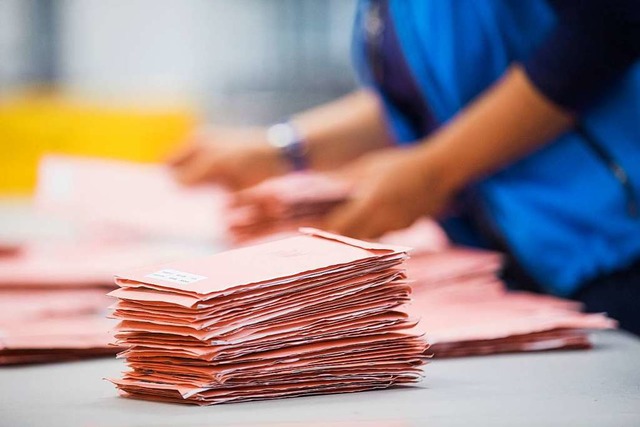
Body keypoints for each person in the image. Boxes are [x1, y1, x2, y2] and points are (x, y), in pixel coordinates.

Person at [169, 0, 640, 334]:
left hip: (618, 251)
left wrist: (433, 171)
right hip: (536, 270)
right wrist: (278, 150)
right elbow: (430, 101)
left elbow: (602, 31)